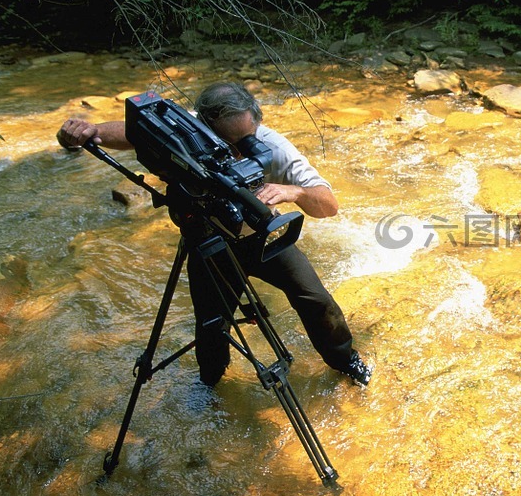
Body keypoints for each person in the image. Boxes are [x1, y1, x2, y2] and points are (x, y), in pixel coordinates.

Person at [57, 82, 372, 387]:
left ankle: (346, 361)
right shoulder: (186, 133)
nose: (237, 150)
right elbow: (134, 131)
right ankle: (212, 382)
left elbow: (328, 205)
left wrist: (293, 191)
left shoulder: (272, 145)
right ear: (205, 126)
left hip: (262, 236)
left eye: (245, 139)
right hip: (209, 242)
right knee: (211, 327)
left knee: (317, 301)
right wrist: (92, 131)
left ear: (256, 122)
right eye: (228, 142)